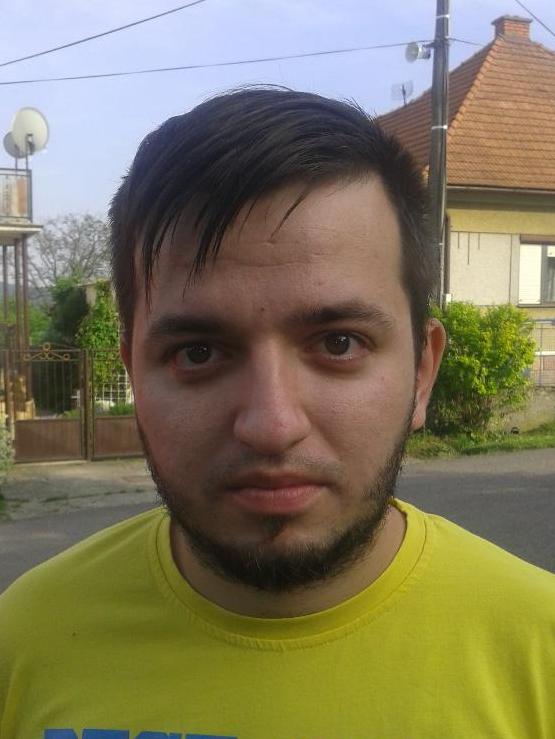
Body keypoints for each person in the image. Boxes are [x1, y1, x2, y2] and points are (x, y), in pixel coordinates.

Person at [0, 88, 553, 739]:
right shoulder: (21, 645)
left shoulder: (539, 654)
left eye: (339, 343)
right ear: (134, 375)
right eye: (198, 352)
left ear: (421, 373)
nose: (272, 425)